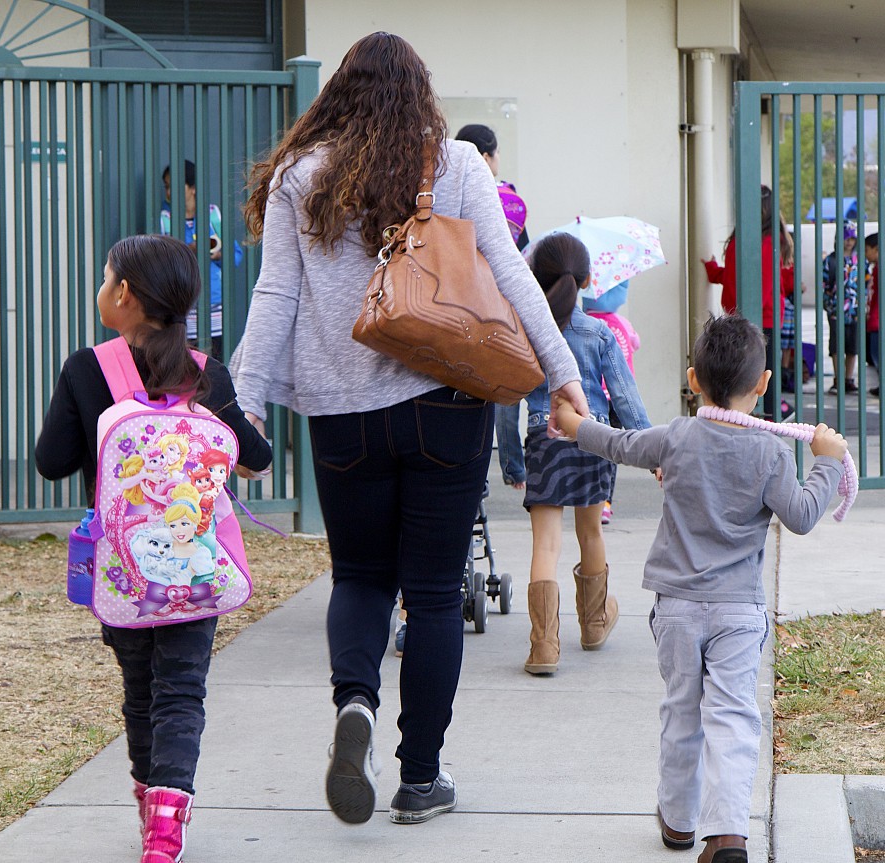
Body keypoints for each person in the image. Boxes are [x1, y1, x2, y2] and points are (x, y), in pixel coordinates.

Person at [230, 31, 588, 826]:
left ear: (338, 95)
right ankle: (420, 776)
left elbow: (275, 296)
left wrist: (246, 401)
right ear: (419, 92)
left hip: (341, 417)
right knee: (432, 594)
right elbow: (510, 280)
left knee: (359, 577)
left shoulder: (301, 174)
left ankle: (354, 702)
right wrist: (562, 376)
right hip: (444, 408)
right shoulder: (455, 164)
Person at [555, 313, 847, 863]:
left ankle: (679, 823)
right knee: (733, 715)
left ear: (693, 381)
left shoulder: (677, 437)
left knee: (681, 711)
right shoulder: (771, 453)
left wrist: (572, 424)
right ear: (762, 386)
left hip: (678, 610)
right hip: (739, 610)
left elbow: (619, 443)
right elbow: (804, 515)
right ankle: (729, 834)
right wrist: (827, 464)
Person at [34, 234, 272, 862]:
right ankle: (168, 825)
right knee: (182, 689)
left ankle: (150, 805)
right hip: (197, 566)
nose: (101, 288)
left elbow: (50, 462)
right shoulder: (205, 373)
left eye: (105, 277)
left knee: (140, 689)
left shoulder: (87, 369)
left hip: (123, 570)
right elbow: (257, 459)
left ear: (125, 295)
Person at [521, 233, 650, 675]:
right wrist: (653, 452)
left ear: (537, 279)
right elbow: (628, 402)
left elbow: (504, 401)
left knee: (546, 543)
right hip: (591, 438)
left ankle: (543, 647)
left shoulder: (526, 331)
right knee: (591, 533)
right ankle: (593, 623)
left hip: (542, 438)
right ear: (589, 280)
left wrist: (510, 462)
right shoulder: (600, 333)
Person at [455, 123, 531, 489]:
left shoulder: (447, 189)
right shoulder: (510, 201)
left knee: (466, 391)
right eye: (496, 153)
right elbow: (523, 257)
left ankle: (473, 478)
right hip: (501, 307)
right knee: (503, 393)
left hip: (460, 305)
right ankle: (513, 469)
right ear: (486, 155)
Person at [703, 185, 795, 419]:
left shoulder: (765, 242)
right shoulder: (750, 236)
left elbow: (760, 286)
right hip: (747, 317)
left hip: (757, 319)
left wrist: (745, 322)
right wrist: (713, 271)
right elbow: (738, 273)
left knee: (759, 375)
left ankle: (770, 421)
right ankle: (768, 417)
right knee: (752, 374)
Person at [160, 160, 243, 360]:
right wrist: (191, 249)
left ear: (193, 188)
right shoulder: (165, 218)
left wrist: (218, 254)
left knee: (215, 366)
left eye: (174, 186)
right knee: (185, 369)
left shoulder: (212, 215)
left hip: (215, 308)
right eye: (167, 187)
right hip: (182, 309)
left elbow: (236, 255)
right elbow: (162, 260)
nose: (169, 192)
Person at [583, 280, 642, 524]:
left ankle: (588, 497)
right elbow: (636, 343)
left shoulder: (585, 324)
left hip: (594, 396)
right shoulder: (622, 323)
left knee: (590, 446)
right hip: (617, 398)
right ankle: (605, 502)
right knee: (611, 450)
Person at [822, 222, 860, 393]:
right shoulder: (830, 260)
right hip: (836, 310)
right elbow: (824, 285)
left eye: (852, 238)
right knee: (837, 346)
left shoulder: (859, 260)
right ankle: (838, 379)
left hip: (855, 311)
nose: (849, 242)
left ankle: (849, 378)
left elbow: (866, 283)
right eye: (846, 238)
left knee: (853, 346)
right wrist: (828, 306)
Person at [864, 233, 879, 396]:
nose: (866, 254)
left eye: (867, 250)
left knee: (877, 355)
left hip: (877, 321)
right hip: (874, 319)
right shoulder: (875, 268)